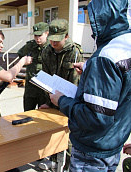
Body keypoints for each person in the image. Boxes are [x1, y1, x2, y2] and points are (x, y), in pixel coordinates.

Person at [49, 0, 131, 171]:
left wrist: (61, 100)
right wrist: (89, 69)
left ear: (102, 17)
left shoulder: (105, 58)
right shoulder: (125, 45)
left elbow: (96, 118)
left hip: (92, 150)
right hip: (113, 141)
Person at [38, 19, 84, 171]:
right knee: (51, 131)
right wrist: (48, 102)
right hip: (53, 99)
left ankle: (69, 166)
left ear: (66, 36)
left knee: (69, 137)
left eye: (57, 39)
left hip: (70, 102)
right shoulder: (46, 51)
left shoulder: (74, 52)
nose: (53, 42)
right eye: (51, 38)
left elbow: (76, 83)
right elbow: (45, 78)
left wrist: (68, 105)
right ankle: (53, 160)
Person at [17, 22, 49, 111]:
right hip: (30, 89)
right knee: (27, 114)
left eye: (40, 35)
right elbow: (20, 54)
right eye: (35, 36)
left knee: (43, 116)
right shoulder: (29, 46)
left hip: (44, 90)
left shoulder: (51, 47)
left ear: (47, 33)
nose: (37, 38)